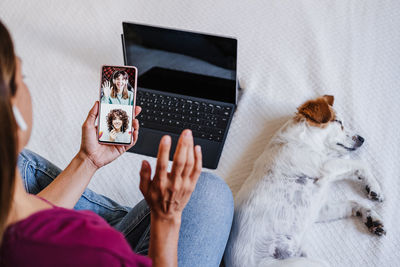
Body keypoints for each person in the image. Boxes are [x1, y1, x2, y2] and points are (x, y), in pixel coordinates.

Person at [0, 20, 234, 266]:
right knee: (210, 194)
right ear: (12, 112)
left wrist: (87, 160)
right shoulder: (93, 247)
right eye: (21, 77)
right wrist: (167, 218)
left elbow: (22, 216)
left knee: (22, 164)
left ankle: (129, 221)